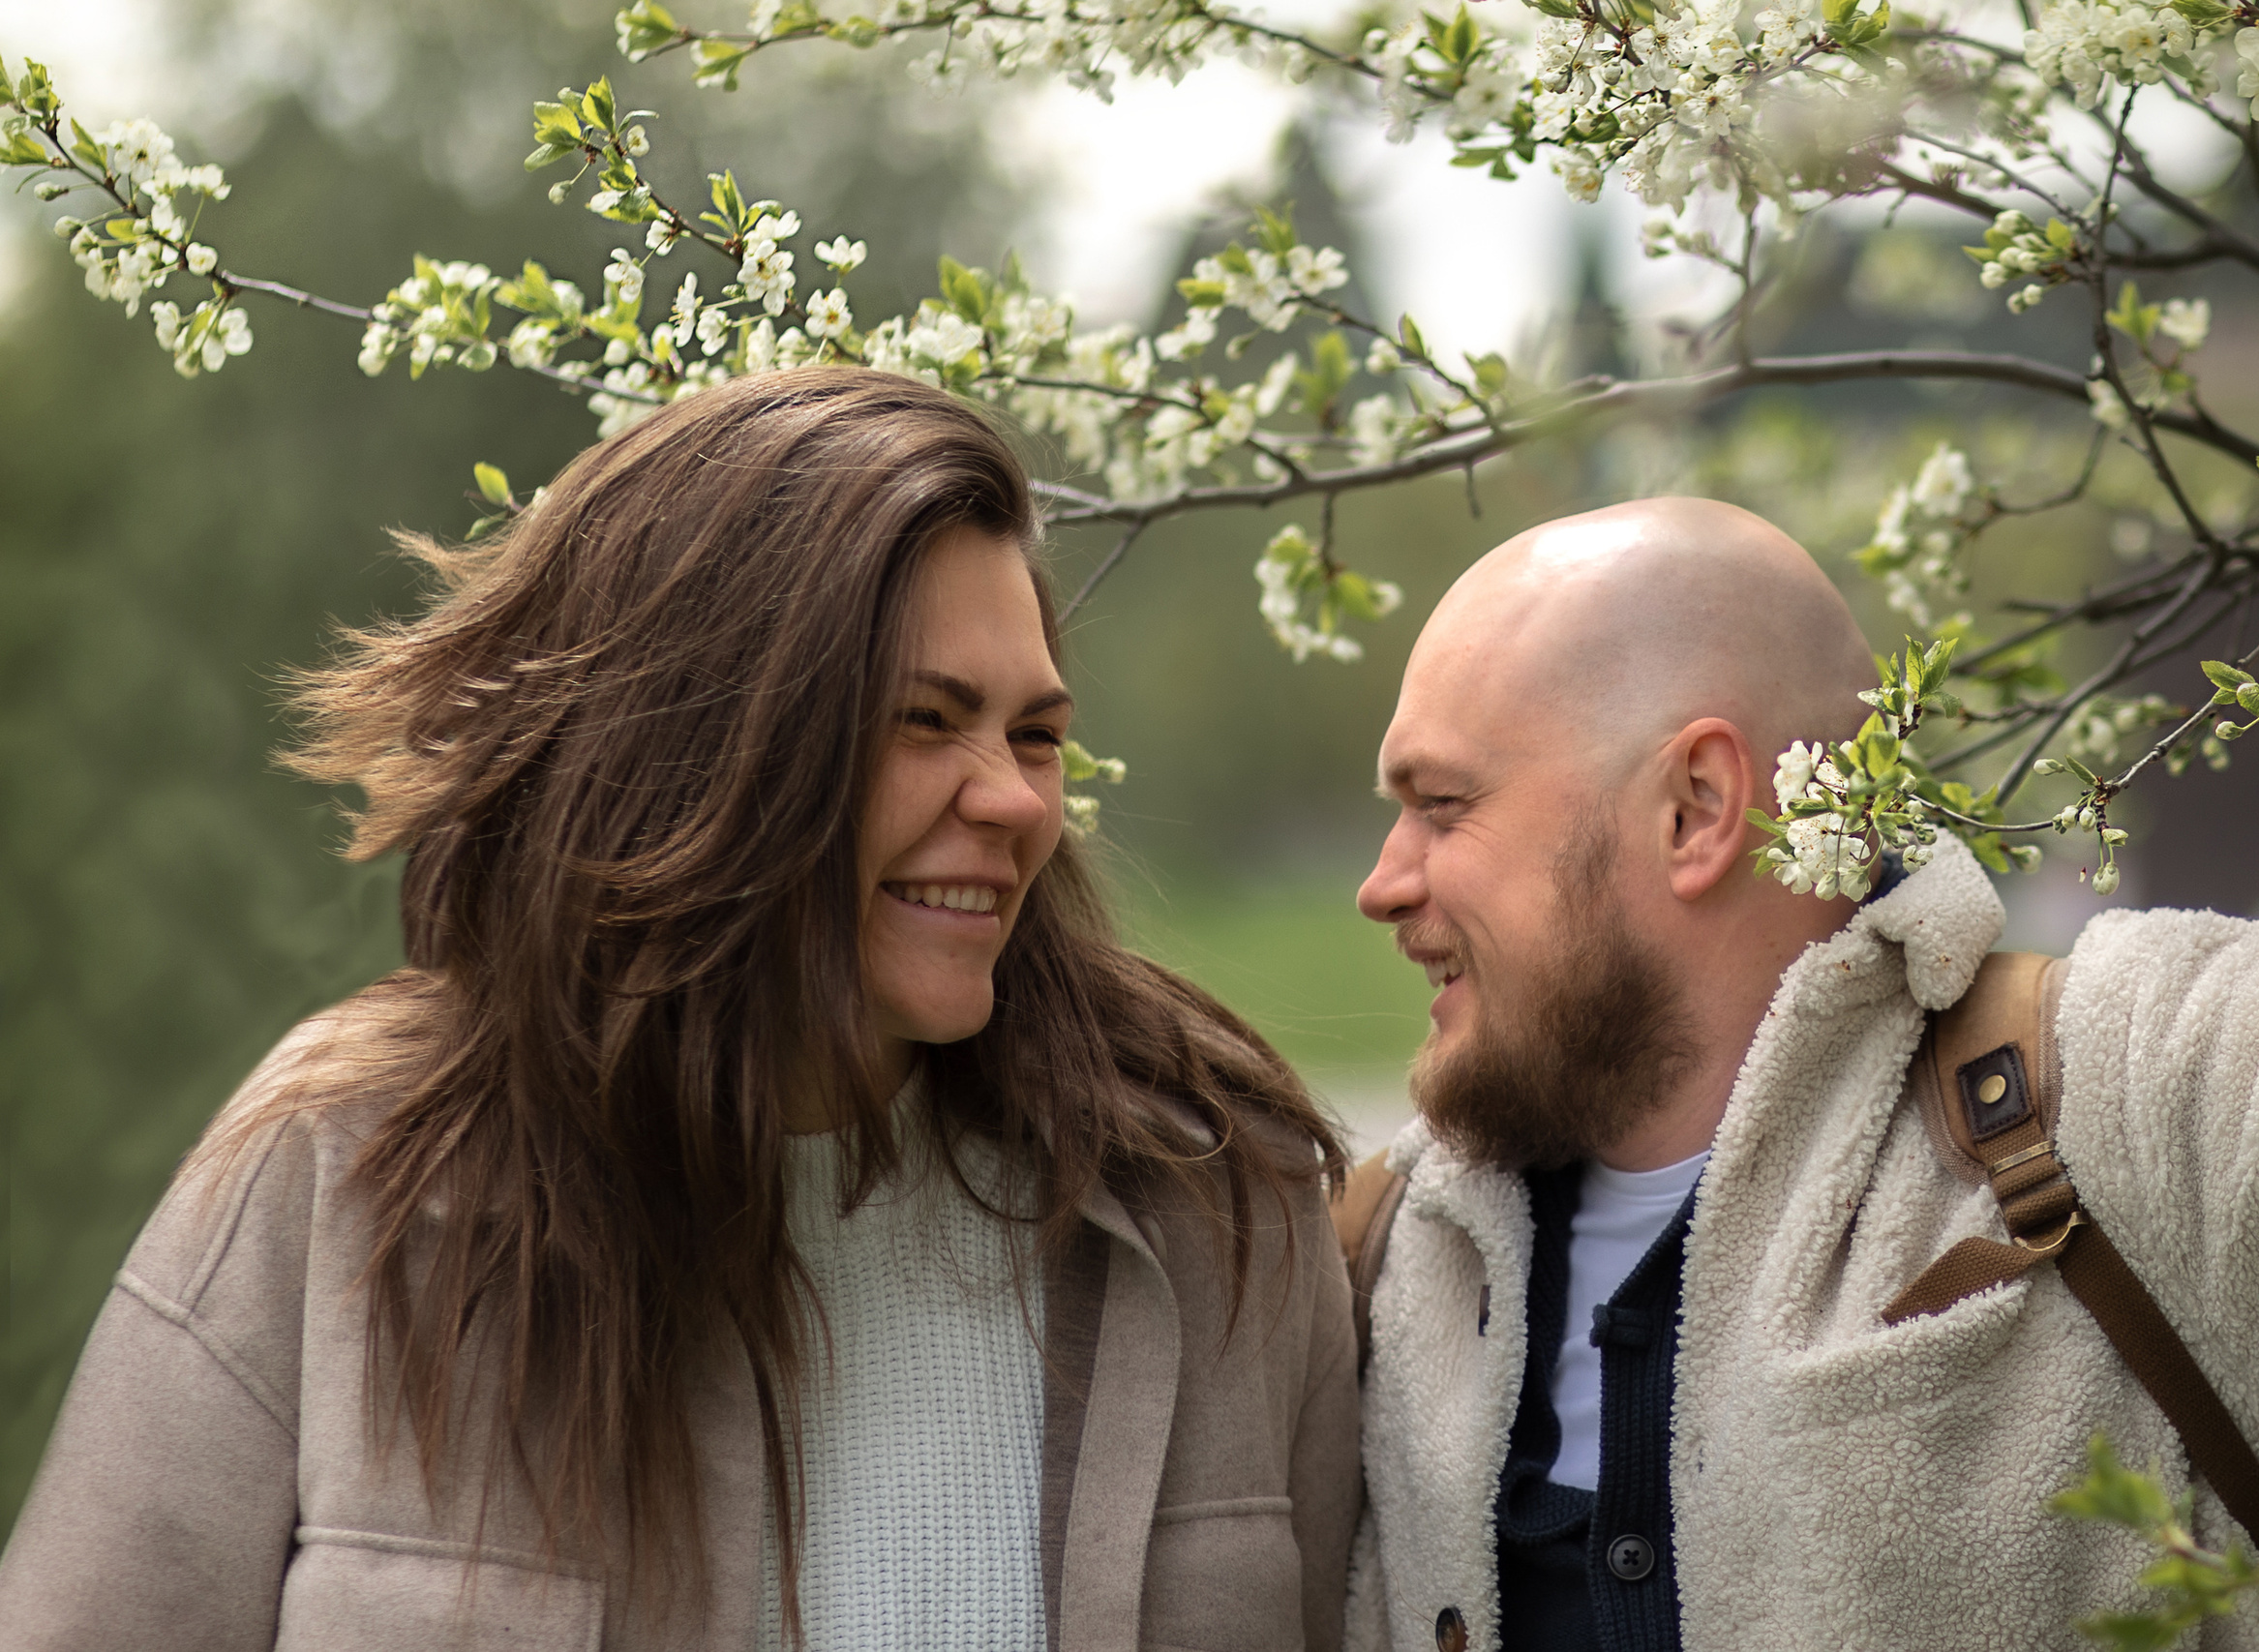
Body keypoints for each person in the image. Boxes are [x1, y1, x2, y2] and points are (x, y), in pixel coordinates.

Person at [0, 367, 1359, 1651]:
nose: (1012, 798)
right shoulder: (344, 1166)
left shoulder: (1215, 1200)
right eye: (923, 720)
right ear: (703, 752)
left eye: (1035, 733)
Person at [1341, 496, 2259, 1651]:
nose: (1381, 882)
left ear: (1696, 809)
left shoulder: (2130, 1095)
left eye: (1442, 807)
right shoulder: (1373, 1261)